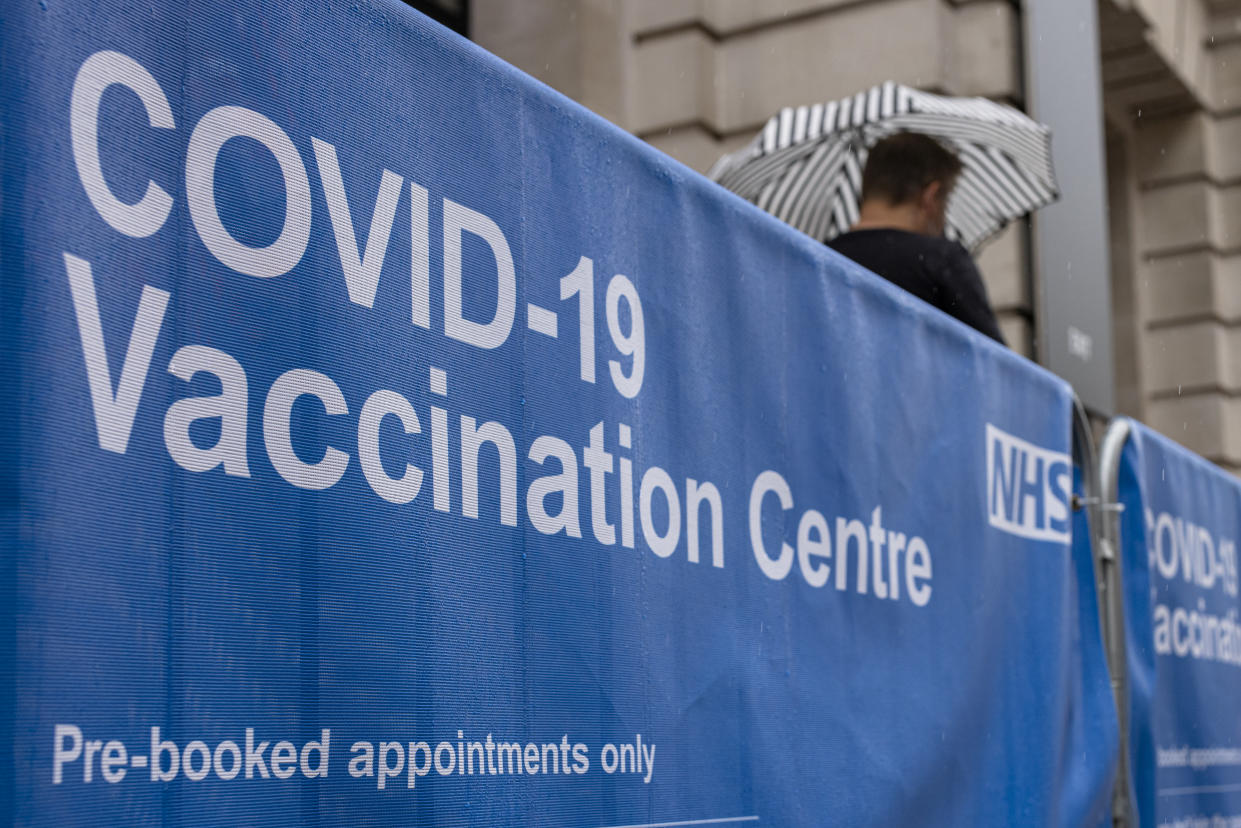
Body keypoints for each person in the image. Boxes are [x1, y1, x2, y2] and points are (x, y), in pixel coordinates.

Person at [828, 132, 1005, 344]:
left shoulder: (822, 260)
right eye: (945, 204)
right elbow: (994, 363)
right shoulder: (941, 260)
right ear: (930, 197)